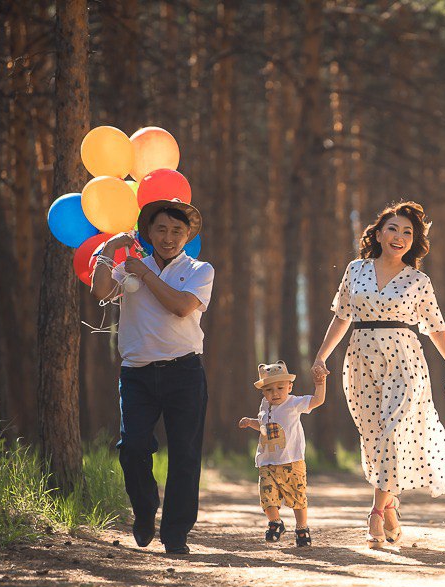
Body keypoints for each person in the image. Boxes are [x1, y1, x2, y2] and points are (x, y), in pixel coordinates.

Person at [312, 200, 445, 549]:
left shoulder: (419, 280)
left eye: (408, 232)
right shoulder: (355, 269)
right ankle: (391, 505)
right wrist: (322, 355)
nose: (399, 237)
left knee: (395, 431)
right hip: (361, 359)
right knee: (374, 437)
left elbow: (438, 328)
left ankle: (375, 515)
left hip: (405, 361)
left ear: (414, 242)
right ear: (378, 233)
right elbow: (342, 315)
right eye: (393, 229)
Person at [90, 198, 214, 556]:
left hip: (185, 372)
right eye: (161, 229)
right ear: (148, 232)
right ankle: (144, 512)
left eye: (177, 230)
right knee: (132, 448)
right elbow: (99, 291)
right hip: (136, 375)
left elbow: (180, 307)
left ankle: (176, 535)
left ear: (188, 235)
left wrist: (144, 275)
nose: (169, 237)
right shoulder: (129, 266)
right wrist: (108, 249)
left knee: (185, 456)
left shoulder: (199, 270)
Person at [238, 361, 325, 548]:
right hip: (267, 461)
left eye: (280, 388)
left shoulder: (293, 403)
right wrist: (250, 422)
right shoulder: (264, 405)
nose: (275, 393)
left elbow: (318, 401)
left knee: (297, 496)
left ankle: (302, 527)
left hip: (291, 461)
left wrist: (320, 384)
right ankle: (275, 522)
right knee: (267, 496)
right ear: (263, 392)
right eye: (269, 390)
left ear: (289, 386)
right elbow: (264, 427)